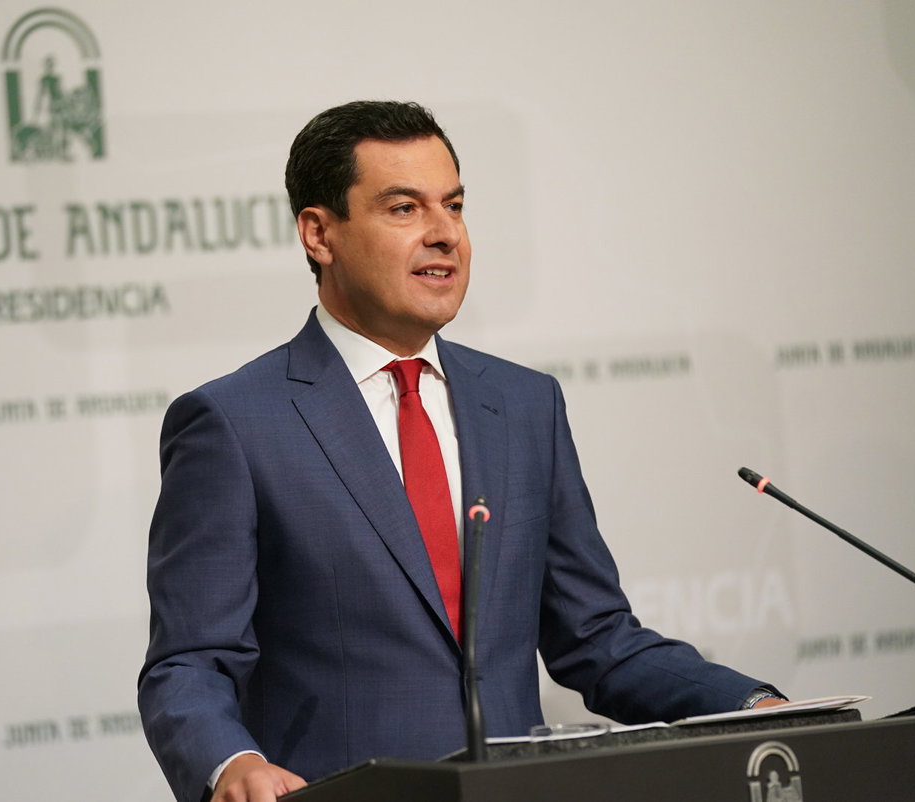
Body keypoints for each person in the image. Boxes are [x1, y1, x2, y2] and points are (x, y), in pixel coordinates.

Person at [138, 100, 784, 802]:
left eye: (454, 206)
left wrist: (751, 706)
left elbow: (595, 637)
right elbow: (189, 663)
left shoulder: (524, 405)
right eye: (404, 208)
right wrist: (231, 763)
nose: (445, 234)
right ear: (319, 234)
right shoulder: (236, 423)